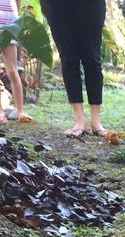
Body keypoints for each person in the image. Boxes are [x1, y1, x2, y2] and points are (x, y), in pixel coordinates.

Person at [40, 0, 108, 137]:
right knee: (68, 58)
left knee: (92, 57)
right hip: (57, 5)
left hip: (90, 4)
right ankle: (79, 121)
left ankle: (96, 122)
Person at [0, 0, 33, 125]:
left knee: (12, 71)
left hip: (9, 21)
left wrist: (17, 20)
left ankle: (20, 112)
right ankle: (0, 111)